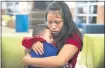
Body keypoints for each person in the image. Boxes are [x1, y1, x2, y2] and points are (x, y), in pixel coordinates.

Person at [23, 1, 83, 68]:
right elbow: (27, 49)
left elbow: (59, 62)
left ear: (66, 21)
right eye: (49, 22)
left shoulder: (74, 37)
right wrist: (33, 43)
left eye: (57, 22)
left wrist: (30, 61)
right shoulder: (49, 32)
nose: (53, 27)